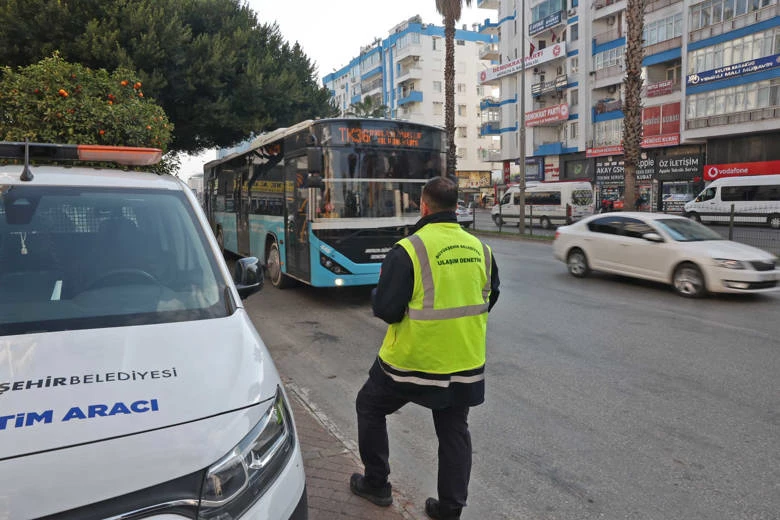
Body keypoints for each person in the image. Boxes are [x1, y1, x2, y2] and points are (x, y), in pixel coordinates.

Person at [350, 176, 500, 520]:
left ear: (424, 206)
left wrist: (380, 295)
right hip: (464, 362)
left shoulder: (409, 249)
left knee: (369, 407)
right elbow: (490, 297)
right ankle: (449, 509)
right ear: (456, 206)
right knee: (454, 431)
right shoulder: (482, 250)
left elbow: (386, 309)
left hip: (411, 363)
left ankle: (376, 483)